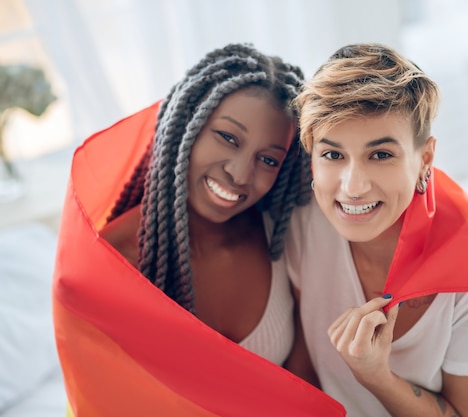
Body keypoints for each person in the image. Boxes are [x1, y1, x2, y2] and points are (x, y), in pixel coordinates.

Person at [52, 44, 344, 416]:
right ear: (186, 125)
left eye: (268, 159)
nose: (240, 174)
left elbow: (302, 383)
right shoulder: (108, 267)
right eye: (228, 137)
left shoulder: (280, 234)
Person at [287, 43, 468, 417]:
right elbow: (301, 374)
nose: (352, 187)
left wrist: (376, 376)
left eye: (381, 155)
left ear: (424, 160)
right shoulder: (304, 225)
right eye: (332, 154)